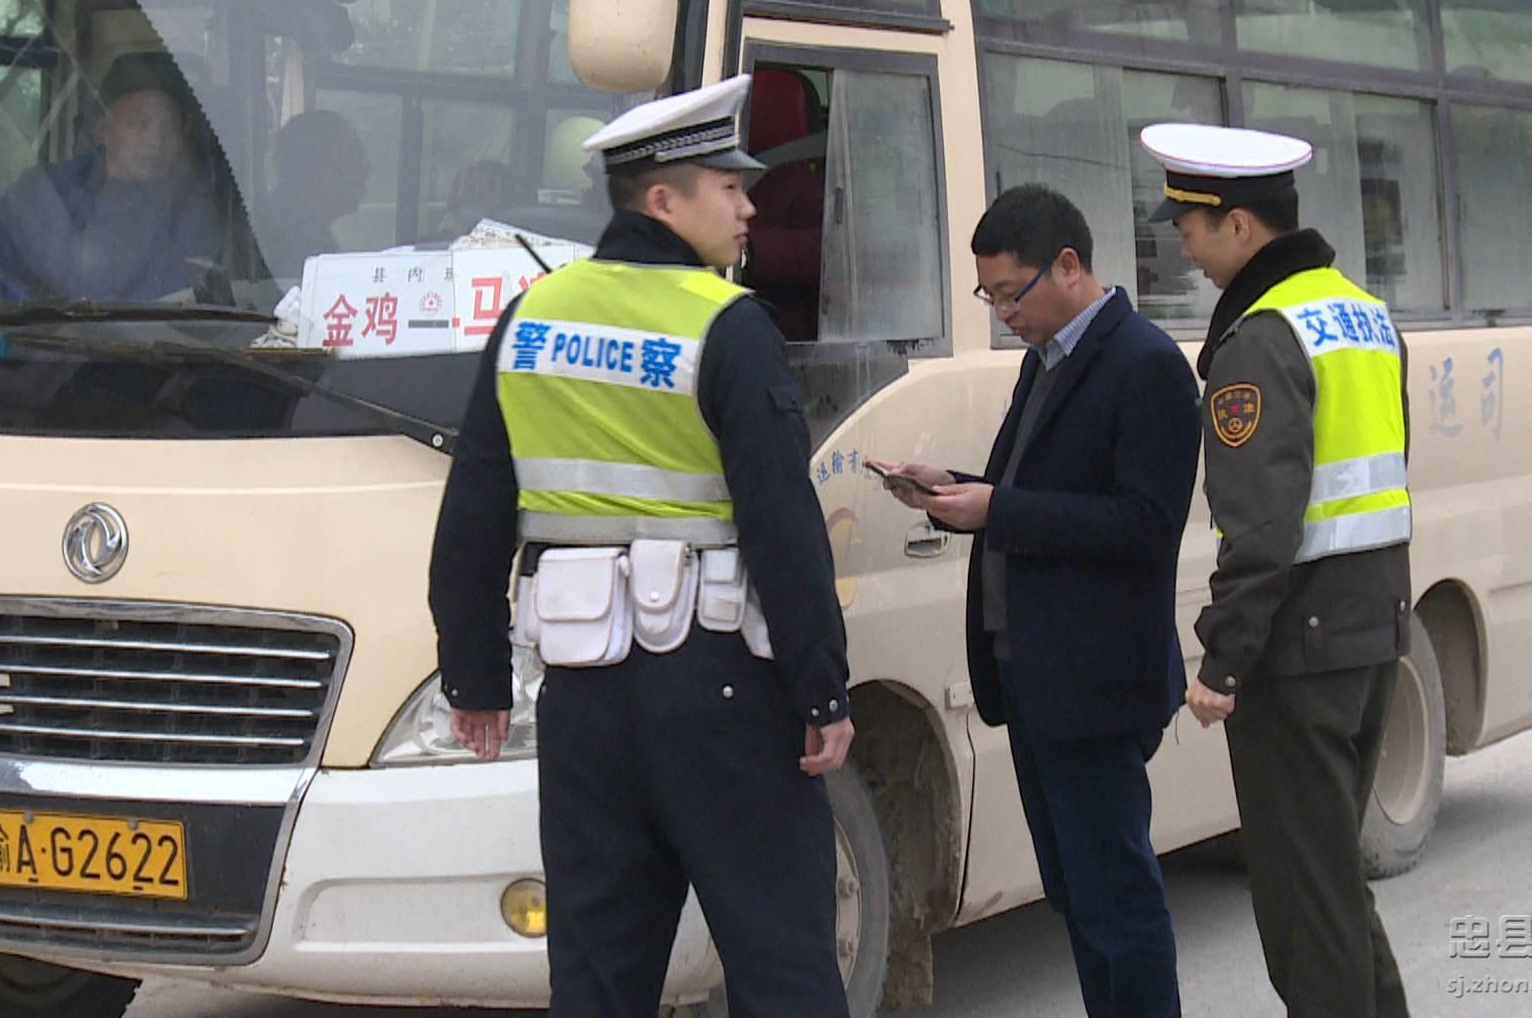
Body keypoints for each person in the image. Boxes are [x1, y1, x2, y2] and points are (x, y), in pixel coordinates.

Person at [427, 73, 855, 1017]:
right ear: (664, 201)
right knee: (783, 966)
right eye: (729, 188)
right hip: (724, 695)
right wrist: (823, 689)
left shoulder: (532, 317)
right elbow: (783, 522)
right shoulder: (726, 323)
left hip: (585, 702)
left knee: (597, 977)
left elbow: (474, 510)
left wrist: (475, 677)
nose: (749, 208)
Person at [870, 184, 1199, 1017]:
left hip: (1096, 681)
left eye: (1011, 294)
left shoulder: (1146, 364)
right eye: (989, 297)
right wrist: (950, 488)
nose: (1003, 314)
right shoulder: (1044, 360)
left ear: (1070, 265)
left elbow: (1145, 524)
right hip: (1033, 678)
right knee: (1078, 896)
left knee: (1118, 899)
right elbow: (1031, 490)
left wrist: (997, 510)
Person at [1144, 122, 1413, 1018]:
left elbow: (1260, 527)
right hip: (1372, 630)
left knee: (1305, 912)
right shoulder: (1364, 314)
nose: (1184, 250)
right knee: (1333, 887)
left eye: (1191, 229)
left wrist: (1223, 661)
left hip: (1299, 652)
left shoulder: (1262, 339)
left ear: (1240, 226)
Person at [0, 51, 226, 310]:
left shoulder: (192, 213)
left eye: (169, 127)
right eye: (140, 123)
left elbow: (190, 312)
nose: (156, 141)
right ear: (102, 127)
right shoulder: (39, 196)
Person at [257, 109, 369, 278]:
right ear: (316, 167)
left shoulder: (303, 230)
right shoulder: (285, 244)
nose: (366, 168)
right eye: (354, 155)